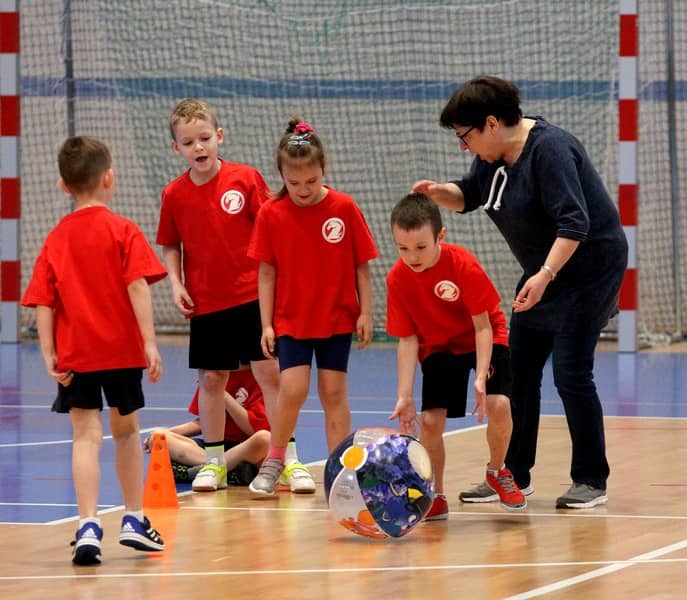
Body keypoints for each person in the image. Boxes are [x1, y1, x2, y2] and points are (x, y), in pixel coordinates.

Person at [412, 75, 628, 509]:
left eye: (465, 136)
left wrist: (545, 274)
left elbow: (576, 223)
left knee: (571, 373)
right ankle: (512, 474)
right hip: (542, 270)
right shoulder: (492, 157)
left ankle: (591, 479)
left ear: (492, 124)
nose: (464, 147)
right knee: (519, 372)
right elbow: (470, 194)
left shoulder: (551, 151)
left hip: (589, 269)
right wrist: (438, 193)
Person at [22, 136, 167, 565]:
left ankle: (88, 525)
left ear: (64, 186)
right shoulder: (123, 230)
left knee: (84, 437)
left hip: (77, 355)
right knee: (126, 432)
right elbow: (137, 286)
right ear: (109, 178)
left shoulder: (56, 238)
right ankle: (134, 518)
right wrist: (150, 341)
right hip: (121, 352)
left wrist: (48, 352)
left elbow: (44, 302)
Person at [157, 99, 314, 493]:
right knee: (212, 380)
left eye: (204, 138)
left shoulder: (245, 179)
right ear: (176, 148)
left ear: (219, 136)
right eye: (188, 142)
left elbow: (271, 227)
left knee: (269, 375)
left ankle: (286, 459)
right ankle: (213, 464)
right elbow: (171, 243)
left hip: (251, 298)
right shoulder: (174, 194)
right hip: (206, 303)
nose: (198, 147)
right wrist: (176, 282)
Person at [246, 118, 379, 498]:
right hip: (291, 319)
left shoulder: (344, 207)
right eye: (294, 183)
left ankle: (341, 472)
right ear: (282, 176)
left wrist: (366, 312)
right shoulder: (271, 213)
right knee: (292, 389)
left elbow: (361, 265)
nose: (303, 190)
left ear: (324, 170)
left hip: (336, 317)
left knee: (333, 393)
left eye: (311, 181)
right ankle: (275, 461)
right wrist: (266, 324)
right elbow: (266, 273)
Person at [386, 193, 525, 521]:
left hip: (483, 336)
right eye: (403, 248)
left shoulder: (462, 264)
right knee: (431, 422)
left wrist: (480, 376)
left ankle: (497, 471)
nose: (412, 256)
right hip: (439, 345)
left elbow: (483, 327)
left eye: (421, 247)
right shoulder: (397, 279)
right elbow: (407, 340)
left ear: (441, 236)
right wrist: (404, 396)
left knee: (499, 405)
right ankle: (434, 493)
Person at [143, 368, 272, 487]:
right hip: (213, 448)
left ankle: (203, 469)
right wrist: (164, 433)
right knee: (158, 438)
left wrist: (221, 394)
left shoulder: (260, 375)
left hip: (244, 447)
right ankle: (223, 469)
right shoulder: (212, 372)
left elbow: (253, 429)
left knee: (264, 439)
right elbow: (202, 422)